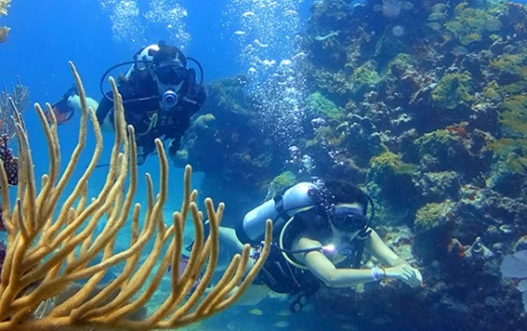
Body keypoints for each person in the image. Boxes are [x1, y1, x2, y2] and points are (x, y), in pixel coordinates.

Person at [217, 179, 423, 311]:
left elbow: (394, 259)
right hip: (266, 272)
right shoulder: (306, 238)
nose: (349, 228)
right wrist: (384, 273)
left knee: (239, 245)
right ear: (328, 217)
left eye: (356, 221)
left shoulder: (363, 234)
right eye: (343, 219)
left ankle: (213, 227)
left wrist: (409, 269)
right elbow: (331, 277)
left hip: (295, 280)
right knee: (238, 297)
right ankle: (194, 287)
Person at [52, 41, 206, 164]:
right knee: (101, 120)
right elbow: (109, 98)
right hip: (122, 123)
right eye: (165, 74)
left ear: (185, 76)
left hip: (154, 130)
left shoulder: (194, 95)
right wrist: (97, 123)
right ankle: (71, 98)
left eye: (178, 74)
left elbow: (186, 118)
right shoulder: (138, 87)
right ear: (154, 74)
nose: (171, 82)